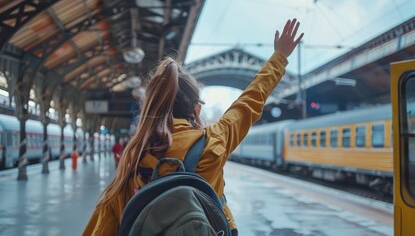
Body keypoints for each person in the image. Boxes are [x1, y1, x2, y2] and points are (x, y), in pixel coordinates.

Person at [83, 18, 303, 236]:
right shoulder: (215, 141)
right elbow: (249, 102)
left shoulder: (134, 159)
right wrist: (279, 57)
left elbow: (102, 226)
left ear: (151, 108)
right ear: (196, 109)